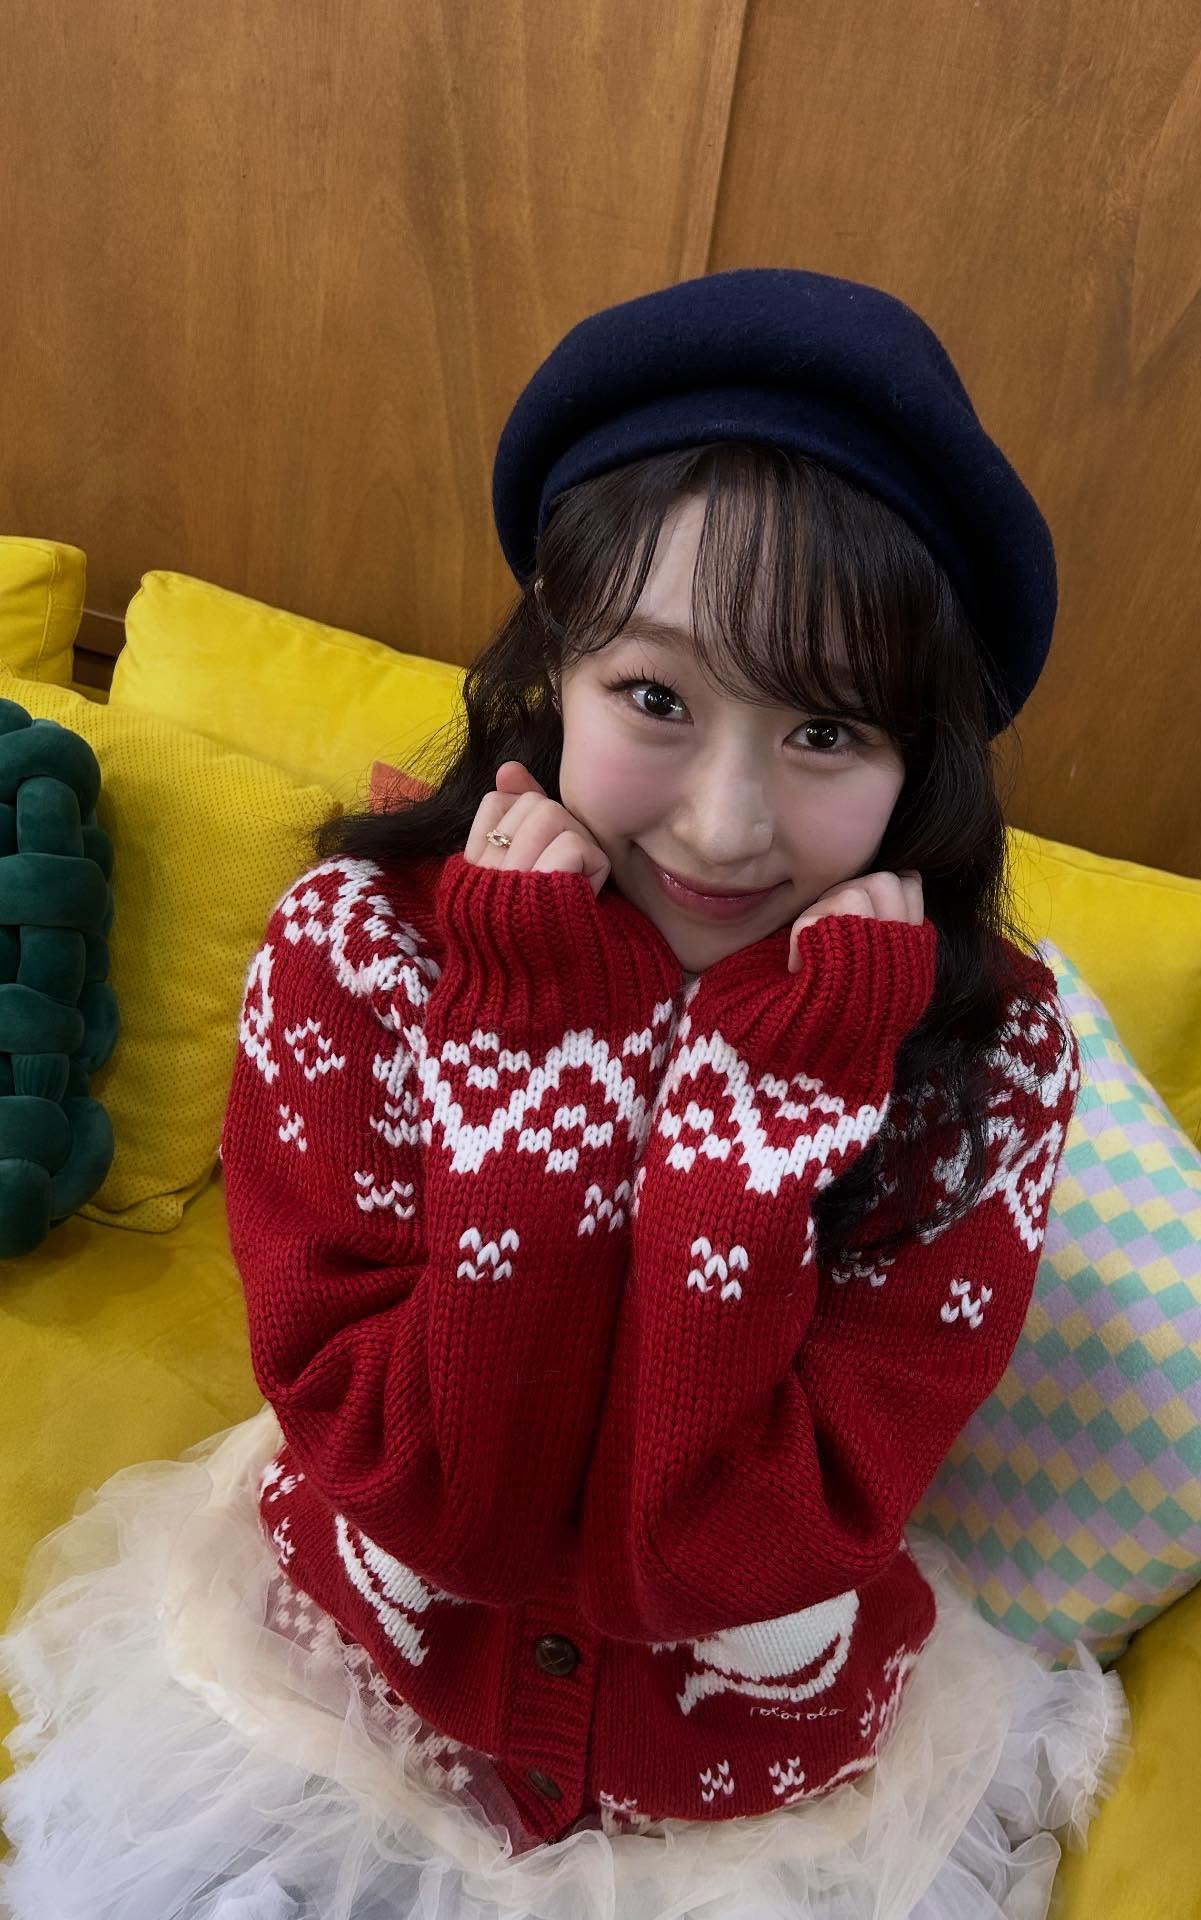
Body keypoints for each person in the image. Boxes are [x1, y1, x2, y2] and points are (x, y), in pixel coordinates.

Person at [0, 267, 1131, 1919]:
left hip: (751, 1801)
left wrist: (758, 1129)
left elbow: (717, 1559)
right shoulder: (360, 952)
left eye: (827, 731)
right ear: (554, 668)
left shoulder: (991, 1060)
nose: (725, 824)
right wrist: (539, 1067)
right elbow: (434, 1510)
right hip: (346, 1712)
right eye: (656, 699)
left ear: (924, 763)